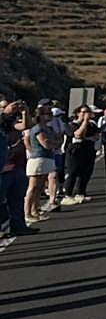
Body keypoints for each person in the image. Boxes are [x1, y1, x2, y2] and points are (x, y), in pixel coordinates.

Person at [1, 99, 37, 235]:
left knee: (17, 198)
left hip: (16, 165)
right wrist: (5, 113)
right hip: (3, 168)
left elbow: (26, 126)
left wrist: (24, 112)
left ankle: (19, 226)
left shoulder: (9, 122)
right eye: (3, 107)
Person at [24, 104, 61, 222]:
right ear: (40, 115)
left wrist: (54, 143)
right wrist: (53, 143)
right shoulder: (38, 128)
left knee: (39, 187)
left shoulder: (48, 128)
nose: (50, 116)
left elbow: (57, 140)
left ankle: (35, 210)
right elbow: (46, 144)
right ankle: (27, 212)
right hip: (38, 159)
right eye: (47, 114)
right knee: (33, 187)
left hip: (47, 158)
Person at [62, 106, 100, 205]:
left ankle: (80, 193)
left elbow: (96, 136)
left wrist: (86, 138)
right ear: (78, 113)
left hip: (88, 150)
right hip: (75, 151)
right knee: (73, 172)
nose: (85, 114)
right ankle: (67, 195)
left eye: (88, 112)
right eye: (83, 112)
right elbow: (78, 134)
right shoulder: (72, 124)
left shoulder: (91, 125)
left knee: (86, 173)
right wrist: (85, 122)